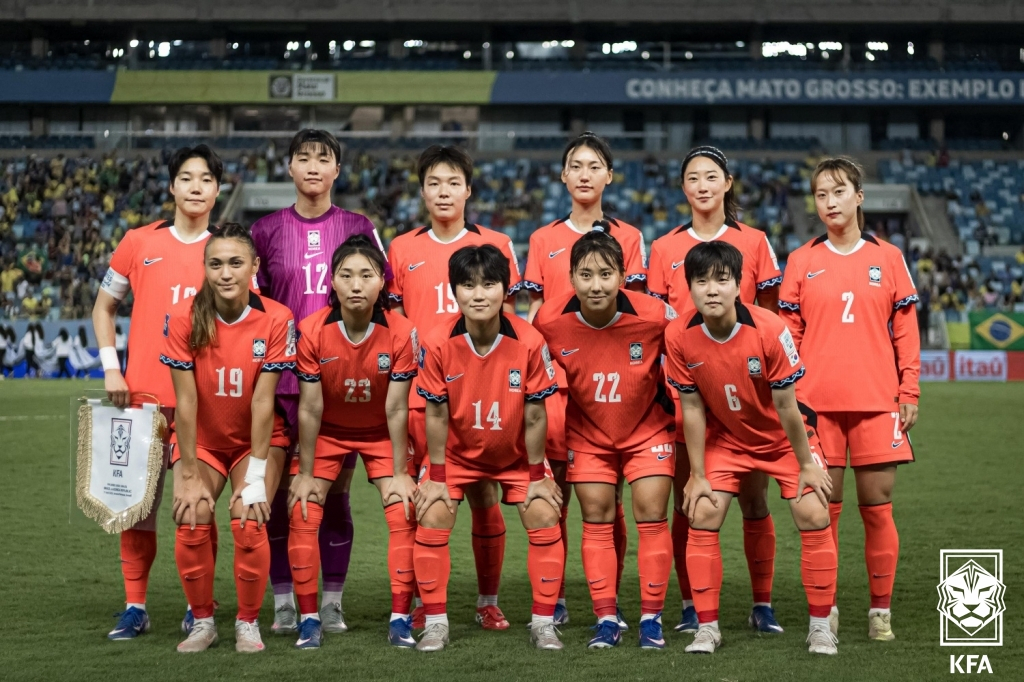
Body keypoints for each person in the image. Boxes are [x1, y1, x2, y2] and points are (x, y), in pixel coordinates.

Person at [663, 241, 837, 656]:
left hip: (782, 438)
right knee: (703, 511)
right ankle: (708, 628)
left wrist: (806, 465)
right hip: (729, 439)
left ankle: (820, 626)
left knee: (812, 509)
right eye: (701, 280)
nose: (712, 289)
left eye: (722, 280)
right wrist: (699, 474)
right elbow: (691, 407)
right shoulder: (678, 335)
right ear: (689, 286)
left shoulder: (769, 328)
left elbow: (786, 405)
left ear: (739, 284)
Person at [250, 129, 391, 636]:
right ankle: (285, 598)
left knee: (333, 494)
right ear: (288, 167)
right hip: (280, 382)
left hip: (342, 383)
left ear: (337, 171)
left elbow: (385, 295)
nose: (313, 166)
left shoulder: (358, 226)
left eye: (323, 158)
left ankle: (331, 601)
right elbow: (253, 307)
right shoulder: (264, 231)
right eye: (303, 158)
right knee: (280, 494)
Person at [779, 157, 920, 642]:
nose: (830, 201)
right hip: (816, 405)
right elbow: (789, 335)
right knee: (825, 510)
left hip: (878, 400)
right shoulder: (800, 261)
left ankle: (880, 611)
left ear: (859, 196)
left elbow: (905, 330)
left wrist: (909, 389)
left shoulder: (890, 257)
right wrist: (790, 398)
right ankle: (829, 608)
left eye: (838, 191)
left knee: (877, 507)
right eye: (821, 194)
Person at [647, 146, 784, 634]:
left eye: (711, 177)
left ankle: (762, 604)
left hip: (746, 394)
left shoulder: (755, 242)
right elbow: (657, 322)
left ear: (728, 183)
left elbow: (769, 313)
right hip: (687, 391)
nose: (702, 185)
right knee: (693, 498)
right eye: (692, 178)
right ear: (682, 188)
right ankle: (690, 605)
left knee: (754, 501)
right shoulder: (663, 248)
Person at [387, 145, 522, 630]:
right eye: (433, 183)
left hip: (483, 397)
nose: (443, 192)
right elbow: (396, 317)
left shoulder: (498, 244)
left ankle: (487, 600)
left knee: (486, 498)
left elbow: (509, 320)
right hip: (426, 399)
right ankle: (424, 602)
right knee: (427, 499)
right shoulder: (401, 248)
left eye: (453, 183)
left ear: (468, 188)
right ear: (422, 190)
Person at [92, 144, 223, 640]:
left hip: (203, 400)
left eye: (205, 178)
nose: (195, 186)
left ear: (217, 189)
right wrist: (112, 370)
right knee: (136, 508)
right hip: (141, 395)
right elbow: (103, 308)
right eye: (186, 178)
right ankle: (135, 605)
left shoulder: (228, 251)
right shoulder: (136, 243)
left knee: (197, 505)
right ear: (172, 186)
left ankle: (199, 607)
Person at [522, 132, 648, 627]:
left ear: (609, 176)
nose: (584, 173)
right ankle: (553, 597)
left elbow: (636, 312)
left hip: (610, 387)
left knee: (607, 498)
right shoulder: (542, 239)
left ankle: (607, 596)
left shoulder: (631, 238)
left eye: (594, 165)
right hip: (555, 384)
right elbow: (533, 312)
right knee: (558, 495)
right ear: (563, 175)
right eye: (576, 165)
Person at [412, 245, 564, 652]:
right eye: (467, 285)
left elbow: (535, 415)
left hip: (515, 456)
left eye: (489, 284)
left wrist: (536, 476)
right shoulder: (438, 341)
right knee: (432, 511)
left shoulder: (530, 340)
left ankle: (543, 624)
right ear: (454, 291)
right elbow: (437, 414)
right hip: (457, 456)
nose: (478, 295)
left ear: (505, 289)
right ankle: (437, 624)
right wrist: (438, 477)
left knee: (544, 512)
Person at [534, 231, 676, 650]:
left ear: (623, 276)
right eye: (586, 275)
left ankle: (651, 618)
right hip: (588, 433)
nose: (596, 285)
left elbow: (689, 343)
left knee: (651, 512)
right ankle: (607, 618)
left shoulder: (657, 316)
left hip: (647, 428)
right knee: (595, 516)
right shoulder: (549, 322)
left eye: (606, 274)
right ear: (572, 278)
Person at [162, 223, 296, 654]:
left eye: (236, 263)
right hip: (204, 441)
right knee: (192, 512)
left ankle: (247, 623)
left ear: (254, 266)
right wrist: (185, 472)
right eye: (215, 263)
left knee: (249, 515)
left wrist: (256, 474)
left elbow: (263, 402)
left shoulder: (277, 318)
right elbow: (184, 403)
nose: (225, 273)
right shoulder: (184, 318)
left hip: (257, 442)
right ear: (204, 267)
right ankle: (202, 622)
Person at [287, 235, 419, 650]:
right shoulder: (311, 330)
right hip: (328, 431)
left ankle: (400, 618)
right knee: (303, 509)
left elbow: (398, 409)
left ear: (383, 282)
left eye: (367, 275)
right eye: (347, 275)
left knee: (403, 511)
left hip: (382, 432)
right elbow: (308, 409)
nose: (357, 285)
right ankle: (309, 618)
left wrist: (400, 473)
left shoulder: (402, 332)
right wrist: (306, 473)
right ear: (333, 281)